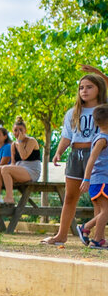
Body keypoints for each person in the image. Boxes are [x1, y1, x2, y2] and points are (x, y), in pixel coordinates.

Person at [41, 73, 108, 245]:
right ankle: (61, 235)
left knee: (99, 201)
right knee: (70, 197)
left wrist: (98, 73)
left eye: (89, 87)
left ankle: (97, 237)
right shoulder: (73, 112)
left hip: (96, 157)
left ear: (99, 88)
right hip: (75, 156)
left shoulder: (104, 110)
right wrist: (58, 152)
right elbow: (67, 136)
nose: (84, 91)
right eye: (81, 87)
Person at [0, 119, 41, 204]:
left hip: (32, 171)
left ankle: (9, 198)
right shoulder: (13, 145)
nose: (18, 132)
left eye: (21, 130)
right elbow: (13, 163)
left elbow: (24, 156)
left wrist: (20, 141)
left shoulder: (31, 141)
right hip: (19, 169)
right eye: (16, 130)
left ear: (25, 131)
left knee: (5, 169)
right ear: (13, 132)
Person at [77, 105, 108, 247]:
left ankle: (98, 237)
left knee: (102, 211)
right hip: (100, 179)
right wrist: (86, 178)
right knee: (105, 211)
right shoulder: (102, 139)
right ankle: (95, 239)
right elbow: (91, 159)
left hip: (101, 179)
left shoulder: (102, 138)